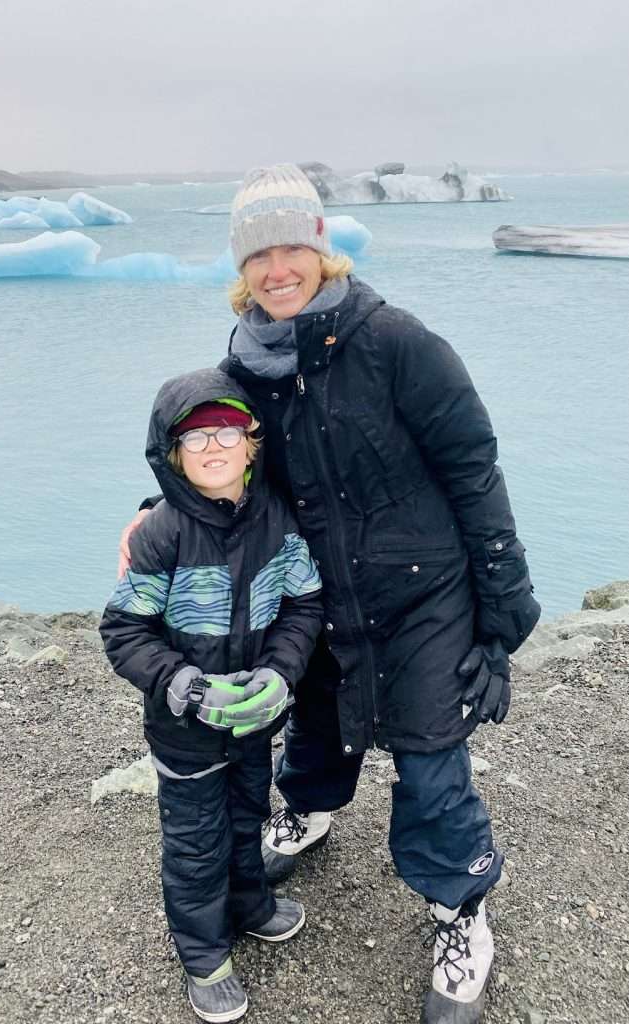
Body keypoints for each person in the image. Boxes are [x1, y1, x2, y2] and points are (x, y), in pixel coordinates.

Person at [119, 165, 541, 1024]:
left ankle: (460, 910)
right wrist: (152, 513)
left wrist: (499, 620)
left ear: (322, 249)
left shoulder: (397, 342)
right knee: (312, 721)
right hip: (310, 591)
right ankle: (307, 811)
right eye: (259, 255)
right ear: (242, 269)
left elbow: (472, 468)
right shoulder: (243, 365)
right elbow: (215, 461)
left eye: (292, 249)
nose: (279, 269)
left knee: (429, 752)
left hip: (421, 590)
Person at [101, 366, 323, 1023]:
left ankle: (249, 902)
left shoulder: (277, 521)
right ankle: (203, 955)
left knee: (247, 810)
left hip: (254, 720)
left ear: (252, 442)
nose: (213, 448)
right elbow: (124, 630)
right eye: (194, 439)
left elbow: (303, 606)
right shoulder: (161, 533)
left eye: (227, 431)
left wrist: (280, 674)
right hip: (184, 729)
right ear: (171, 456)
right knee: (196, 839)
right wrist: (184, 685)